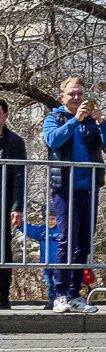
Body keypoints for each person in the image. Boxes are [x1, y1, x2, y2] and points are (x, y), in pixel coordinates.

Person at [42, 77, 106, 313]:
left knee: (84, 242)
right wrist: (75, 120)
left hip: (89, 186)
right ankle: (60, 293)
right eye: (72, 94)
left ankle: (75, 293)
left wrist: (100, 121)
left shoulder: (91, 122)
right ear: (62, 96)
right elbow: (53, 140)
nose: (77, 98)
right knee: (67, 239)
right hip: (65, 188)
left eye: (80, 94)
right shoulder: (55, 118)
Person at [0, 99, 26, 309]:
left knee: (2, 249)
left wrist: (17, 207)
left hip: (4, 201)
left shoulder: (14, 142)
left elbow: (19, 176)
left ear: (5, 115)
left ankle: (2, 295)